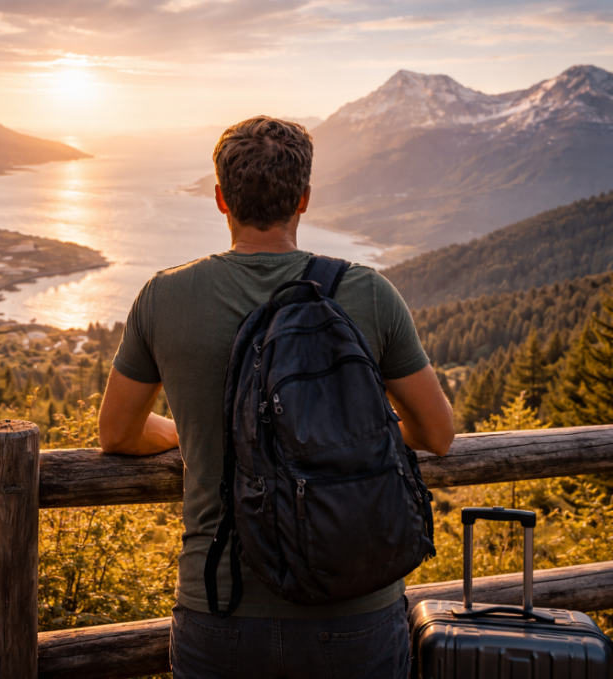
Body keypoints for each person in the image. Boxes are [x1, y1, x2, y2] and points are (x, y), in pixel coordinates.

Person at [98, 115, 454, 679]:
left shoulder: (164, 297)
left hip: (221, 607)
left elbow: (116, 433)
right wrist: (346, 434)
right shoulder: (369, 293)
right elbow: (438, 433)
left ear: (221, 198)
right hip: (355, 609)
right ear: (304, 198)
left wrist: (190, 433)